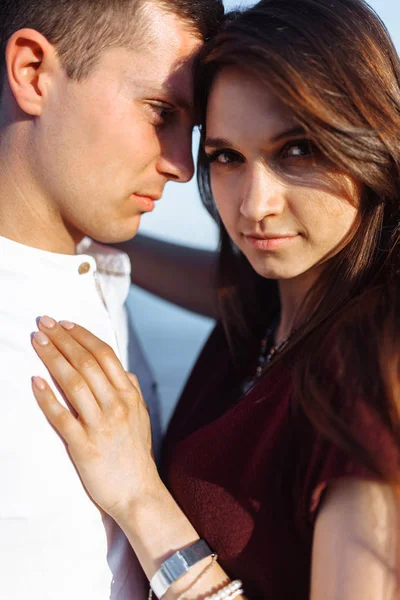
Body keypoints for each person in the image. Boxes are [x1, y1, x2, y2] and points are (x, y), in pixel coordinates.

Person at [30, 0, 400, 598]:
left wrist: (140, 498)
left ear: (370, 142)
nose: (255, 207)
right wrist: (73, 223)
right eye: (227, 156)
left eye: (298, 149)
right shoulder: (270, 304)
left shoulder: (372, 369)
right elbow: (214, 282)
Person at [0, 1, 224, 599]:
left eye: (193, 130)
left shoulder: (97, 275)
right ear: (32, 72)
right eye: (160, 111)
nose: (181, 165)